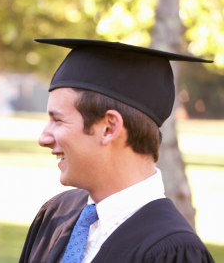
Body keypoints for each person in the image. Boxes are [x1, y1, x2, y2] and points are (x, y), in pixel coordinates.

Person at [19, 39, 216, 263]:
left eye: (58, 120)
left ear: (109, 128)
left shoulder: (173, 252)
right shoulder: (57, 214)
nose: (43, 138)